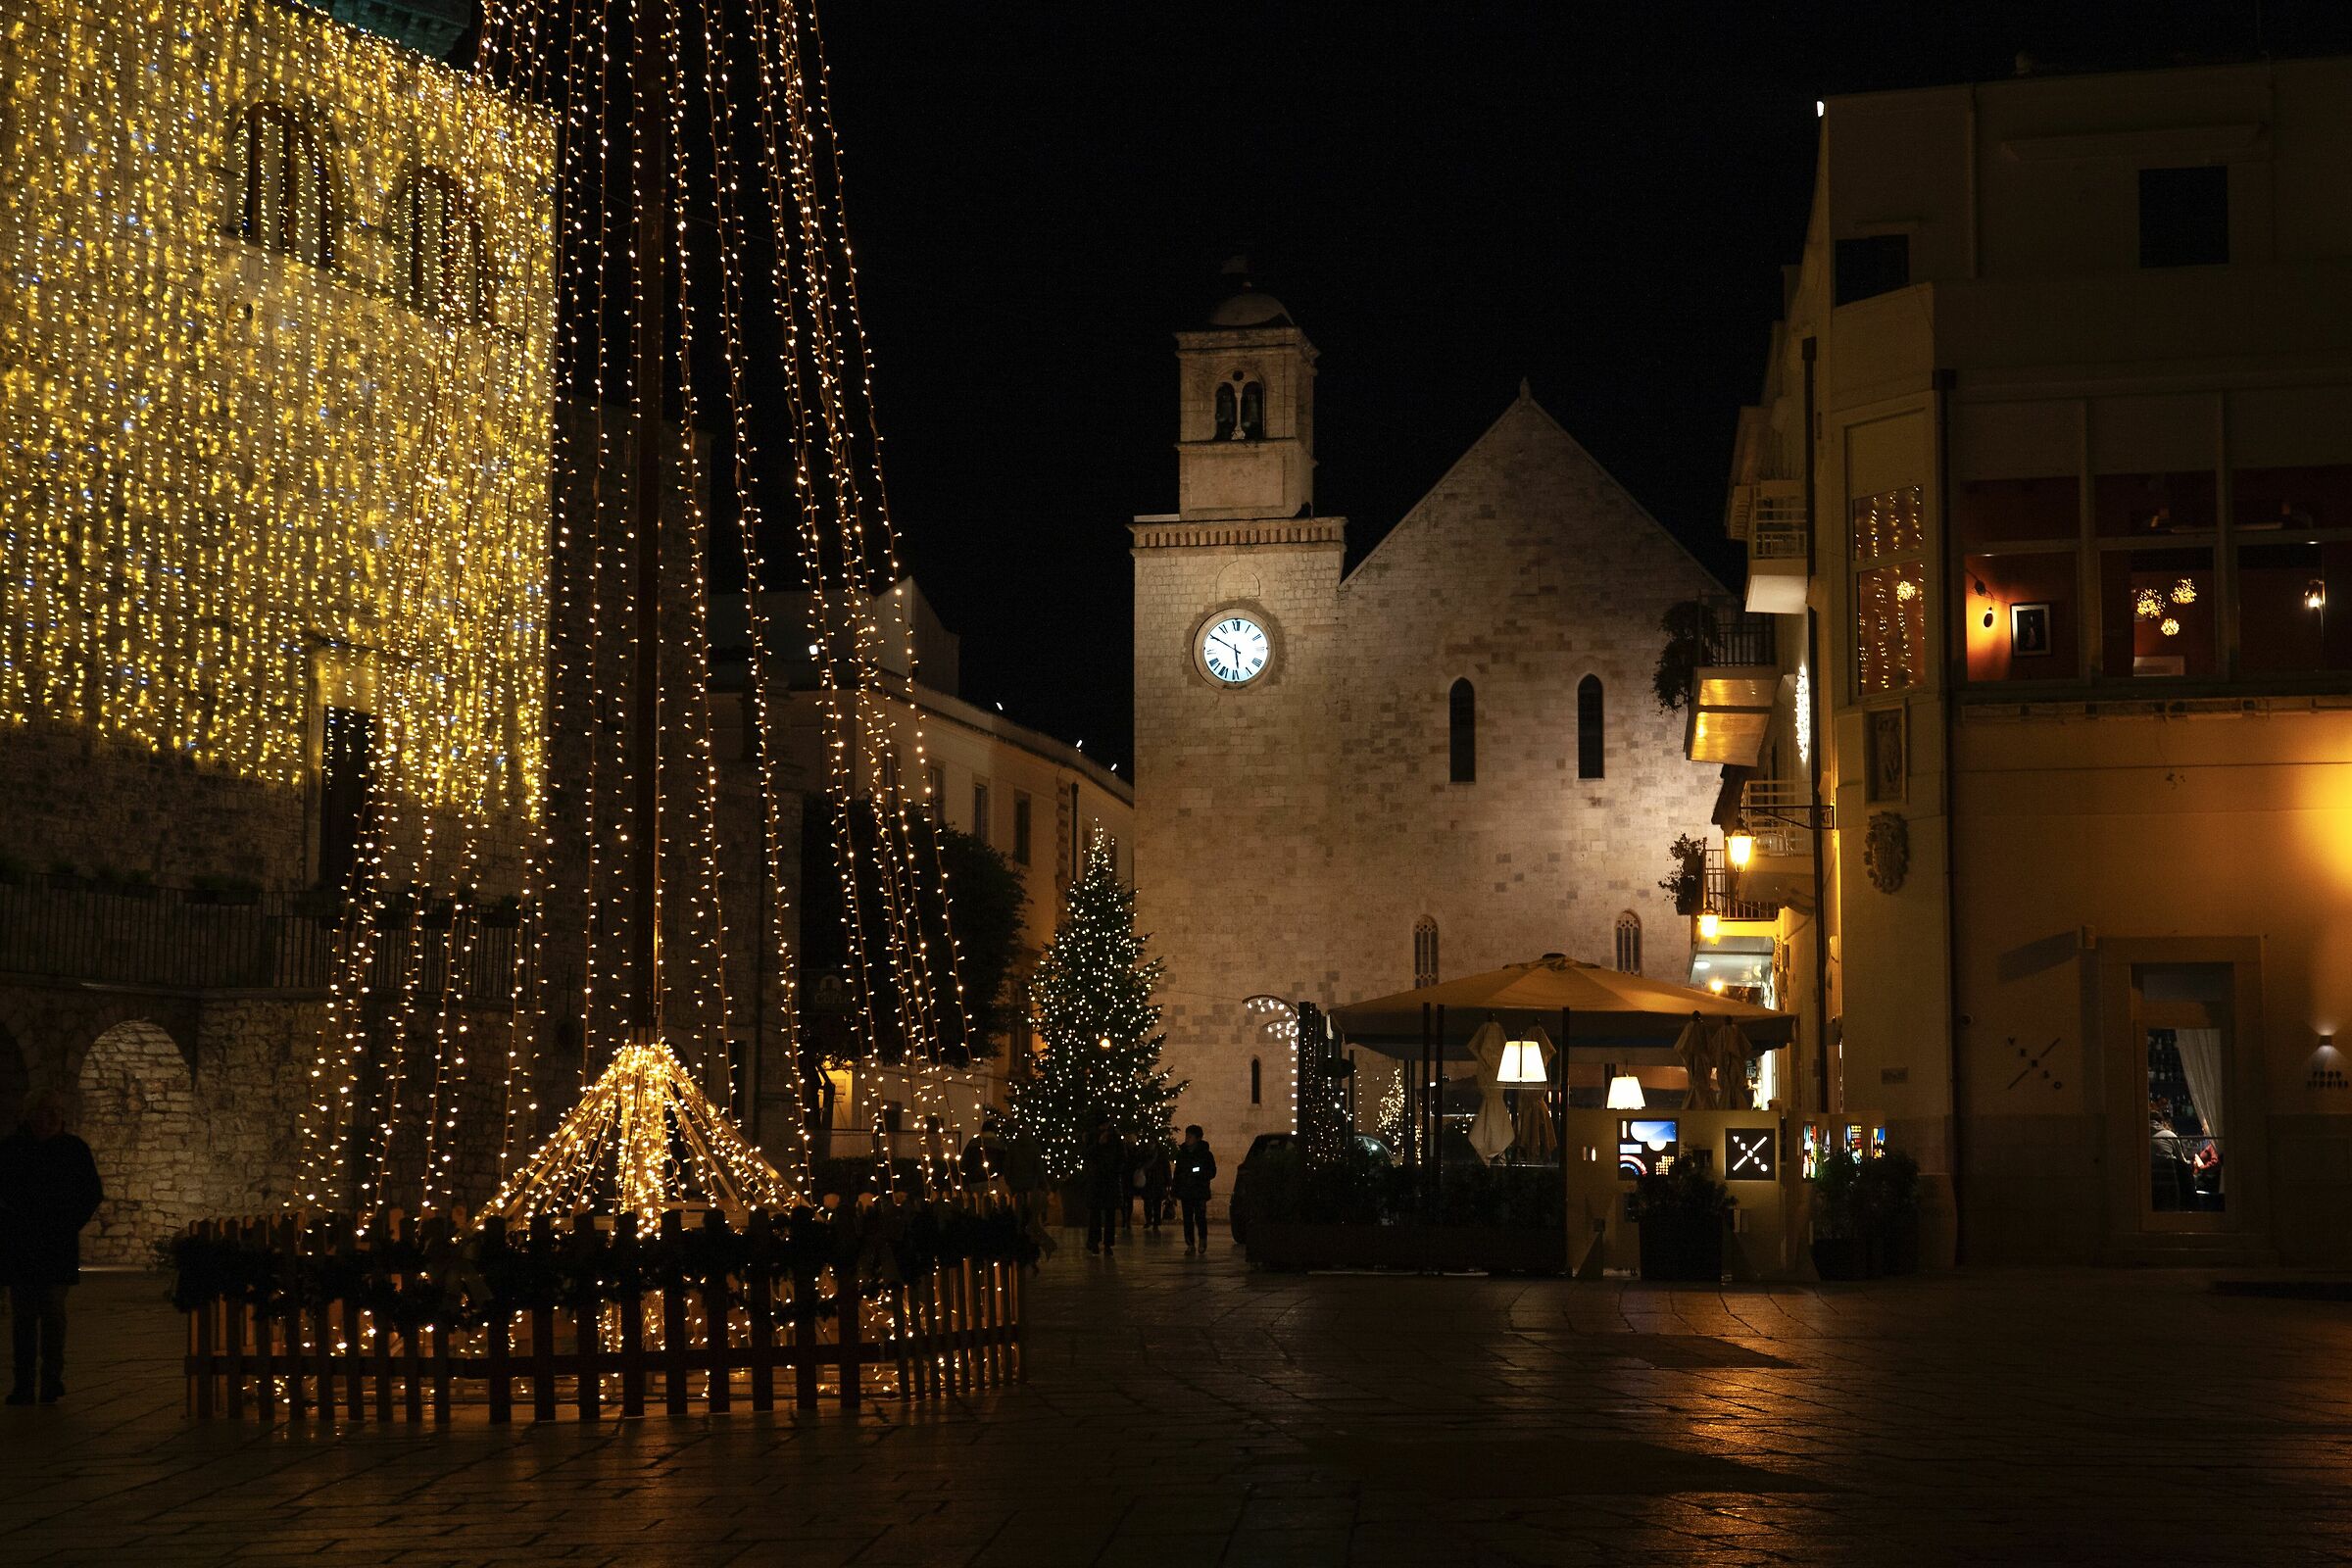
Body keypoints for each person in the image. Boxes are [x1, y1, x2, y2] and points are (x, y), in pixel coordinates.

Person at [0, 1090, 105, 1405]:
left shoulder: (73, 1150)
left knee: (53, 1312)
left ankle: (51, 1379)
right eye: (45, 1112)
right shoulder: (11, 1150)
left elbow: (90, 1193)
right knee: (23, 1316)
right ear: (30, 1114)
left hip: (56, 1244)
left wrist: (67, 1222)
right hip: (20, 1243)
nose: (51, 1118)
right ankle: (23, 1382)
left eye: (56, 1112)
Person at [1082, 1123, 1127, 1256]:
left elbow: (1122, 1157)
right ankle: (1095, 1243)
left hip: (1109, 1180)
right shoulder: (1092, 1136)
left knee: (1109, 1215)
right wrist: (1098, 1144)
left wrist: (1116, 1171)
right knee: (1096, 1214)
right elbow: (1087, 1155)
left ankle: (1107, 1244)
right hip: (1098, 1180)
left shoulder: (1115, 1138)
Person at [1171, 1125, 1216, 1253]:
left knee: (1200, 1217)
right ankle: (1190, 1244)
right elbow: (1178, 1173)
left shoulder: (1206, 1154)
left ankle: (1202, 1239)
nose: (1187, 1139)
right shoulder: (1182, 1154)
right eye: (1186, 1136)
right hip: (1186, 1191)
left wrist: (1198, 1172)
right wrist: (1174, 1192)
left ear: (1198, 1138)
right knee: (1187, 1219)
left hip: (1199, 1191)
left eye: (1190, 1136)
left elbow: (1212, 1172)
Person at [1140, 1141, 1172, 1232]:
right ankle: (1149, 1220)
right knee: (1147, 1203)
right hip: (1148, 1182)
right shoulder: (1145, 1154)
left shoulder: (1161, 1156)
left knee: (1157, 1204)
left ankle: (1156, 1223)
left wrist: (1168, 1182)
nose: (1151, 1144)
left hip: (1158, 1182)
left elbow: (1166, 1169)